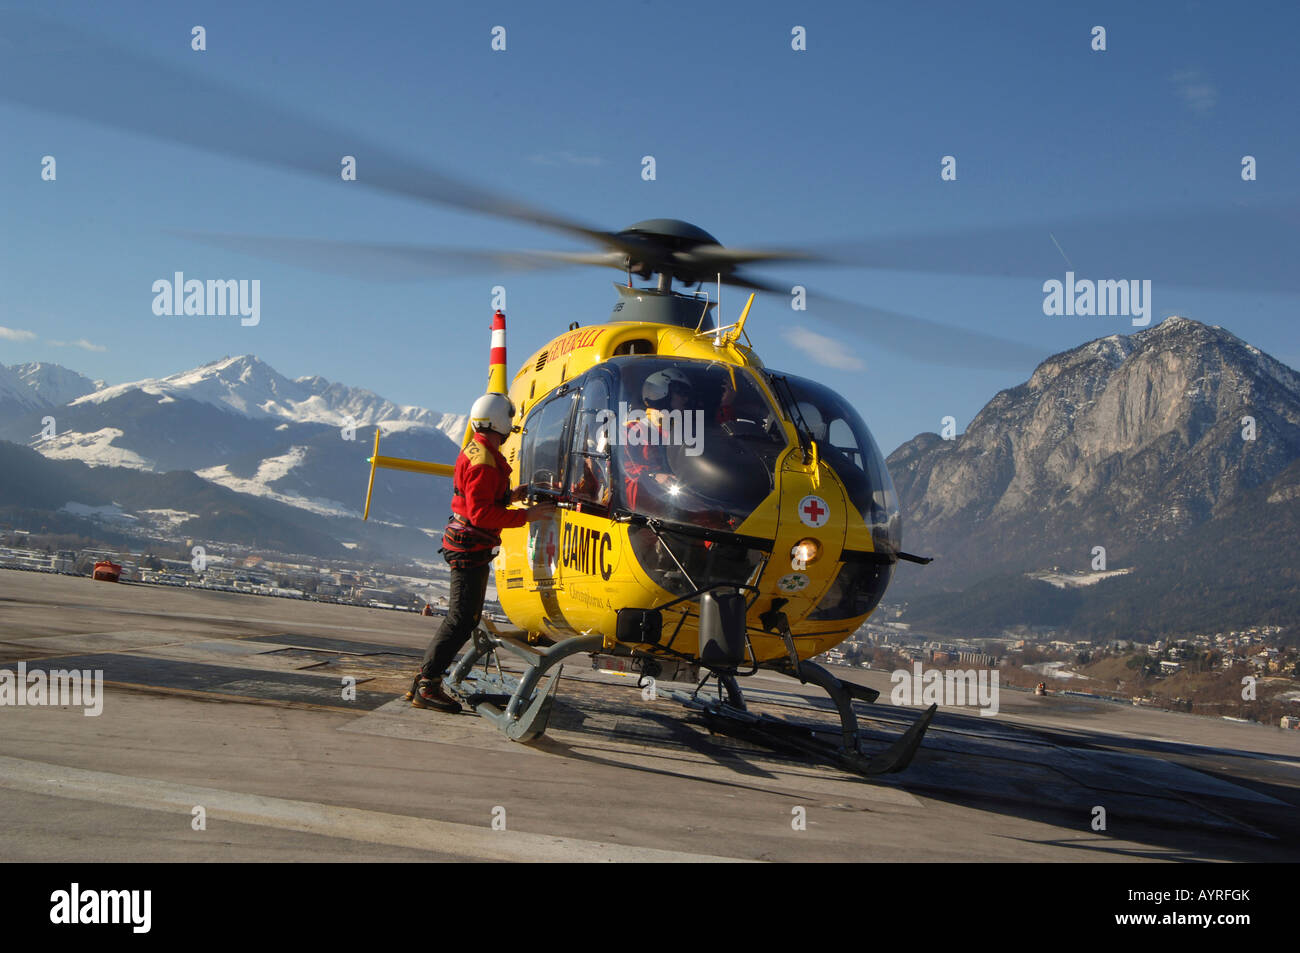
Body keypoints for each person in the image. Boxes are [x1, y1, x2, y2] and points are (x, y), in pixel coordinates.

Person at [409, 392, 551, 713]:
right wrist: (526, 516)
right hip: (470, 548)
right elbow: (481, 515)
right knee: (461, 619)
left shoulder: (478, 451)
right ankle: (427, 685)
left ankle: (424, 679)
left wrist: (512, 495)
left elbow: (479, 500)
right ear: (501, 422)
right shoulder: (486, 462)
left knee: (463, 618)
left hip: (468, 545)